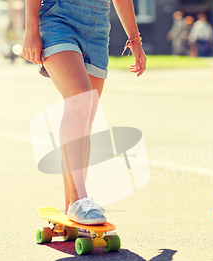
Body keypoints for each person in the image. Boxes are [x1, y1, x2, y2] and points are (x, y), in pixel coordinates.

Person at [22, 0, 146, 225]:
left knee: (86, 118)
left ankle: (73, 203)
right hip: (58, 17)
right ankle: (81, 198)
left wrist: (135, 39)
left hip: (98, 26)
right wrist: (31, 30)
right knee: (81, 98)